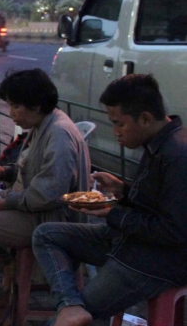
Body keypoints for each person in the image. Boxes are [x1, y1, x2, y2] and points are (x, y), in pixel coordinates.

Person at [32, 74, 187, 326]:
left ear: (145, 118)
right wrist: (123, 190)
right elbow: (154, 202)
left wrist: (110, 213)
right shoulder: (157, 143)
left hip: (155, 263)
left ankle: (73, 312)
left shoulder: (178, 155)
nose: (115, 132)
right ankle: (70, 305)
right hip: (129, 242)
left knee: (62, 324)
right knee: (46, 234)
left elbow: (173, 231)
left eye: (119, 124)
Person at [0, 69, 91, 325]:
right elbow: (32, 169)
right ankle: (7, 264)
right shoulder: (40, 125)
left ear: (35, 105)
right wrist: (7, 172)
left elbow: (48, 194)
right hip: (29, 206)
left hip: (49, 218)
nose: (11, 113)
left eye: (14, 106)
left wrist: (2, 202)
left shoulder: (58, 134)